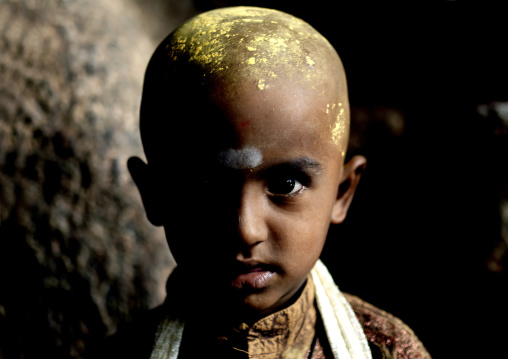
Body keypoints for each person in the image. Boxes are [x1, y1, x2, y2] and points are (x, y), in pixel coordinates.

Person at [97, 6, 431, 359]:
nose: (246, 230)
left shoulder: (387, 350)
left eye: (286, 184)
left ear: (342, 193)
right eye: (207, 186)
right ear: (155, 195)